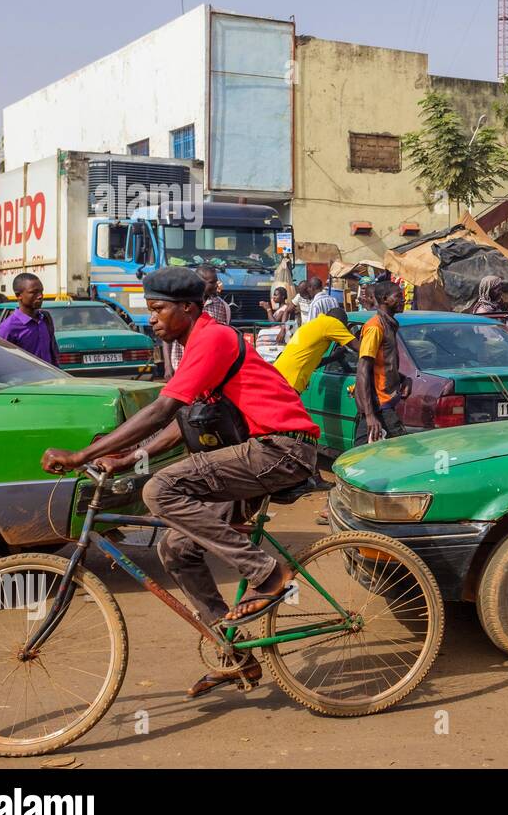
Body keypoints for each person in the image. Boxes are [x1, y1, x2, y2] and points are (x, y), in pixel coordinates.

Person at [39, 266, 319, 697]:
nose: (151, 318)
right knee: (175, 548)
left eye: (157, 309)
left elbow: (163, 409)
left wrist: (83, 455)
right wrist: (130, 457)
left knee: (159, 490)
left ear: (187, 309)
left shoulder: (213, 339)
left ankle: (268, 573)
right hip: (259, 451)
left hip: (280, 449)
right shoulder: (197, 343)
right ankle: (236, 654)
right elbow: (184, 419)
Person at [353, 281, 410, 445]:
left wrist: (404, 379)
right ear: (385, 299)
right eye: (398, 296)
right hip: (379, 405)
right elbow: (363, 371)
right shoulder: (375, 327)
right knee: (404, 451)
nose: (403, 300)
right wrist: (370, 415)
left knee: (365, 454)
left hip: (384, 404)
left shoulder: (389, 325)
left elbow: (383, 366)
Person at [272, 307, 360, 392]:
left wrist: (333, 357)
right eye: (343, 327)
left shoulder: (312, 324)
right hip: (291, 380)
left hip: (276, 374)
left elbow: (312, 363)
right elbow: (359, 348)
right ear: (340, 322)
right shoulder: (332, 323)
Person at [170, 265, 231, 373]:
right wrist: (167, 366)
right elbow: (169, 334)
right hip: (183, 365)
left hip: (210, 366)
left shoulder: (222, 306)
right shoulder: (180, 304)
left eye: (216, 282)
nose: (216, 285)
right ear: (199, 282)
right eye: (212, 282)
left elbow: (225, 338)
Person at [0, 272, 58, 365]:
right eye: (34, 292)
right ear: (18, 295)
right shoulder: (7, 328)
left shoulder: (45, 318)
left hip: (51, 378)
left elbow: (53, 353)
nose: (40, 296)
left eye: (41, 291)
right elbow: (1, 362)